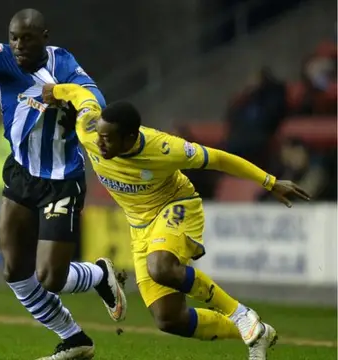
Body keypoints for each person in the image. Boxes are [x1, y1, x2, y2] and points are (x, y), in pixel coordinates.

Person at [43, 83, 311, 360]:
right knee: (170, 319)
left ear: (131, 137)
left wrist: (270, 181)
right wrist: (56, 89)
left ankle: (240, 313)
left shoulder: (164, 148)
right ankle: (257, 333)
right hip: (140, 227)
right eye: (100, 135)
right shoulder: (89, 129)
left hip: (176, 205)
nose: (99, 144)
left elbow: (218, 158)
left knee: (160, 267)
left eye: (108, 138)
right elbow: (80, 94)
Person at [0, 9, 126, 360]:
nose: (19, 45)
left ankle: (98, 274)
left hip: (61, 180)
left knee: (51, 277)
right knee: (15, 272)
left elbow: (96, 101)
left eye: (27, 38)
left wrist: (78, 109)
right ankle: (74, 339)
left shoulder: (62, 65)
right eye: (14, 37)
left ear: (45, 37)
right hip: (21, 172)